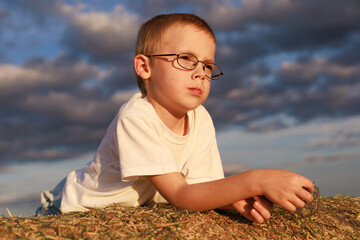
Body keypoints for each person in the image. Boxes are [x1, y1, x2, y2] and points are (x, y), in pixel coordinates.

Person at [36, 13, 314, 224]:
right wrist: (256, 180)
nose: (200, 73)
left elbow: (199, 188)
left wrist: (236, 199)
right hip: (67, 204)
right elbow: (181, 195)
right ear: (145, 67)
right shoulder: (135, 117)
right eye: (185, 59)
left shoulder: (200, 118)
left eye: (207, 65)